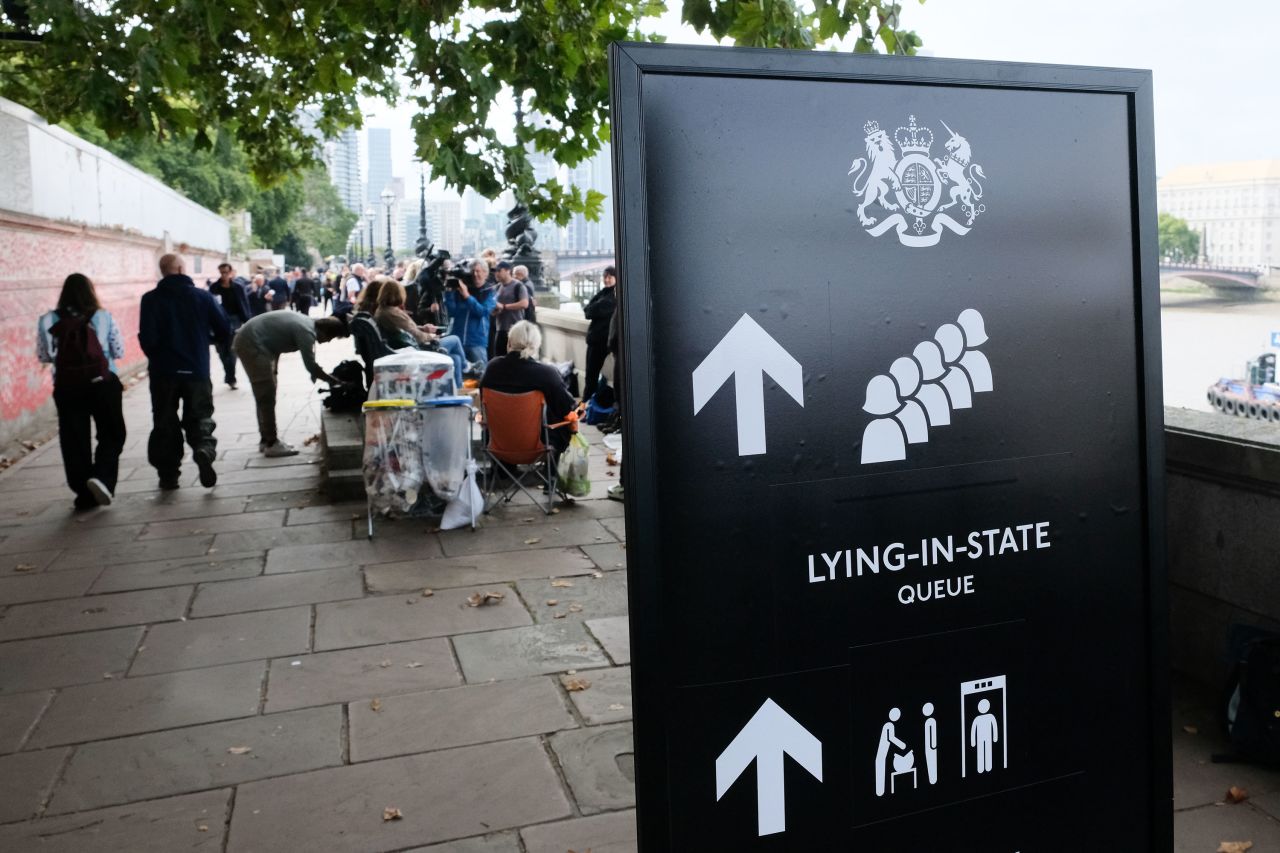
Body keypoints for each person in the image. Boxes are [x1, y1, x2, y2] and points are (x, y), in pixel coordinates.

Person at [35, 273, 127, 510]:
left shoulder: (47, 320)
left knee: (74, 439)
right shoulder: (103, 316)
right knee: (112, 433)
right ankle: (102, 477)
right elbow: (118, 350)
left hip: (67, 387)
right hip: (103, 384)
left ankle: (83, 494)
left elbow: (44, 356)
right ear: (90, 291)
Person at [139, 253, 230, 490]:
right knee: (200, 415)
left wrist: (159, 356)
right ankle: (204, 450)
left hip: (162, 373)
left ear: (163, 271)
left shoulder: (150, 300)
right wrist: (206, 340)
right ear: (181, 269)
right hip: (196, 369)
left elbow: (147, 339)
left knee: (164, 421)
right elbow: (223, 329)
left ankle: (168, 475)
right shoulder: (202, 297)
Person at [233, 311, 349, 456]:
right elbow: (310, 365)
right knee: (266, 395)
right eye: (330, 338)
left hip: (256, 342)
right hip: (251, 344)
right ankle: (271, 443)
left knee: (265, 395)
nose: (327, 342)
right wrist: (334, 380)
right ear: (326, 331)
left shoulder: (307, 324)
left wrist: (274, 369)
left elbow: (276, 340)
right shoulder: (306, 331)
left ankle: (266, 439)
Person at [480, 320, 575, 466]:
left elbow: (482, 404)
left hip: (497, 444)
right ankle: (551, 478)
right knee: (562, 421)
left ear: (509, 342)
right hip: (539, 446)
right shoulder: (546, 373)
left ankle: (502, 472)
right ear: (536, 346)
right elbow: (566, 408)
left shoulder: (492, 368)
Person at [438, 258, 495, 385]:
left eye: (478, 271)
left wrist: (467, 296)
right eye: (473, 271)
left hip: (476, 341)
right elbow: (452, 312)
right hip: (458, 339)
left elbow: (482, 312)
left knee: (481, 377)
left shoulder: (489, 291)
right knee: (458, 376)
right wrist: (449, 294)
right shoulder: (462, 288)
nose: (475, 274)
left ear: (485, 273)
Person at [208, 262, 251, 389]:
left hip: (235, 321)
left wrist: (247, 322)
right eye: (222, 273)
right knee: (222, 351)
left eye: (226, 272)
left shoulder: (238, 287)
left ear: (231, 272)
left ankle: (231, 378)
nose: (224, 275)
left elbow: (244, 305)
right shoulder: (214, 288)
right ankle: (229, 374)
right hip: (219, 322)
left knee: (232, 350)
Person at [582, 265, 617, 403]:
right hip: (596, 339)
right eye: (605, 277)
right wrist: (593, 309)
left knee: (591, 374)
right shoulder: (603, 293)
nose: (607, 279)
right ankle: (587, 403)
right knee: (590, 374)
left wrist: (593, 309)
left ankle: (586, 403)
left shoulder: (613, 296)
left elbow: (591, 310)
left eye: (610, 277)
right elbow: (587, 311)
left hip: (603, 340)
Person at [374, 280, 438, 349]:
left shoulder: (386, 310)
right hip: (413, 348)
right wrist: (431, 336)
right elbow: (413, 335)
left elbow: (405, 329)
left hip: (409, 345)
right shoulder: (391, 314)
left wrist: (423, 328)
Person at [489, 260, 529, 359]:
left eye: (499, 271)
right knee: (499, 358)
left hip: (515, 329)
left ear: (508, 271)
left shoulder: (518, 285)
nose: (496, 274)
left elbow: (524, 303)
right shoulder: (496, 288)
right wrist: (494, 310)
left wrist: (505, 307)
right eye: (495, 271)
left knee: (516, 358)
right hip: (500, 329)